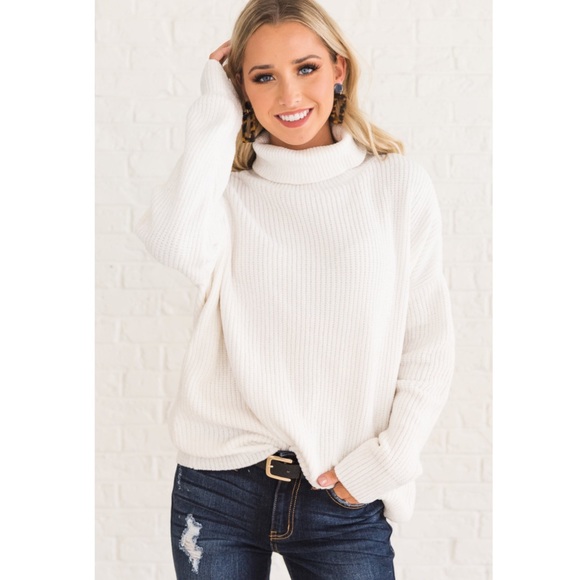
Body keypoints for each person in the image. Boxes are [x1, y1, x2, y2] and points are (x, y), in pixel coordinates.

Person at [135, 0, 455, 578]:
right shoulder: (226, 197)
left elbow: (428, 345)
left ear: (339, 70)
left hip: (343, 494)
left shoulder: (397, 185)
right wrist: (215, 108)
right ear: (242, 88)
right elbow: (172, 241)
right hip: (218, 490)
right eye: (263, 77)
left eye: (306, 68)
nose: (289, 95)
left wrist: (386, 463)